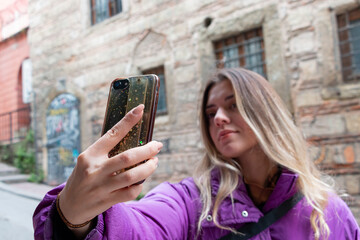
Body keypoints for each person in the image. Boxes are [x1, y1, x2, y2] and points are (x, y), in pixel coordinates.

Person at [33, 68, 359, 240]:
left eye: (233, 105)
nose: (218, 117)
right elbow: (145, 226)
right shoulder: (193, 200)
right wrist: (76, 217)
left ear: (265, 111)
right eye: (211, 111)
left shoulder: (329, 210)